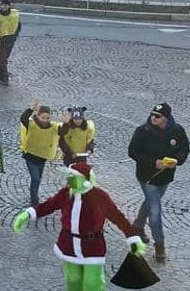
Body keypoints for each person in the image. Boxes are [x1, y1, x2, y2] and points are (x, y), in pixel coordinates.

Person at [12, 162, 146, 291]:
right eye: (69, 176)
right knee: (73, 280)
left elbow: (118, 217)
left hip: (92, 246)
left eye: (73, 177)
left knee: (92, 283)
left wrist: (132, 237)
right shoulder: (66, 193)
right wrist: (28, 214)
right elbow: (49, 205)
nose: (69, 179)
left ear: (86, 180)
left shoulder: (99, 196)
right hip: (68, 244)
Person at [128, 103, 188, 262]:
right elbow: (132, 152)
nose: (153, 118)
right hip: (147, 177)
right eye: (152, 114)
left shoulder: (177, 131)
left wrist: (177, 160)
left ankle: (137, 227)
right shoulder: (143, 131)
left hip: (165, 177)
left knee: (150, 203)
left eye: (157, 116)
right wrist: (153, 162)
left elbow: (184, 149)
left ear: (166, 118)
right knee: (155, 211)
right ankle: (160, 245)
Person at [20, 102, 62, 206]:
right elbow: (23, 118)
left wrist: (68, 123)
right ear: (38, 116)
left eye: (47, 118)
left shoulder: (53, 126)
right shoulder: (31, 124)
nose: (45, 120)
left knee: (37, 179)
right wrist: (30, 109)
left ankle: (33, 193)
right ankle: (34, 201)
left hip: (42, 157)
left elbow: (63, 131)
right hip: (30, 156)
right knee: (36, 178)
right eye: (43, 117)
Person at [0, 0, 21, 85]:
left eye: (6, 5)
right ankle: (4, 76)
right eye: (3, 5)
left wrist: (15, 35)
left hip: (11, 39)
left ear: (9, 6)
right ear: (0, 5)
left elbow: (18, 25)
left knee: (5, 57)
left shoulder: (15, 14)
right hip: (0, 40)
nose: (4, 7)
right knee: (3, 58)